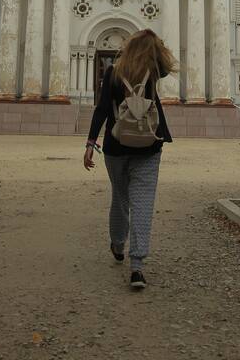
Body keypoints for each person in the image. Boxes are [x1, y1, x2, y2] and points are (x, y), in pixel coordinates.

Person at [83, 29, 177, 290]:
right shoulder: (154, 72)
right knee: (143, 205)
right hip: (148, 143)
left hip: (116, 145)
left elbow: (101, 109)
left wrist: (91, 143)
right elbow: (168, 65)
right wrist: (153, 42)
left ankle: (117, 243)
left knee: (121, 199)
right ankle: (137, 268)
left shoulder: (113, 72)